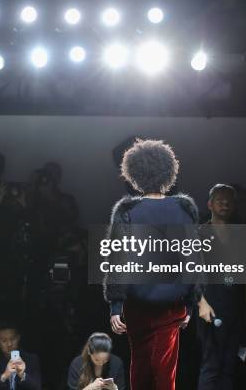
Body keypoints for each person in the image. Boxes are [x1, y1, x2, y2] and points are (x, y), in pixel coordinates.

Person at [103, 139, 201, 390]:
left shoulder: (126, 211)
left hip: (137, 306)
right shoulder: (184, 209)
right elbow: (192, 261)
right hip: (171, 306)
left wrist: (116, 306)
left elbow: (117, 261)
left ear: (134, 174)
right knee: (163, 372)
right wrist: (190, 304)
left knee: (141, 367)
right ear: (168, 172)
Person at [196, 184, 246, 390]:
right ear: (210, 204)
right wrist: (201, 303)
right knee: (211, 366)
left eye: (229, 201)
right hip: (209, 308)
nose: (225, 204)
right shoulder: (199, 234)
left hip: (234, 309)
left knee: (228, 368)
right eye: (220, 200)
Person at [0, 322, 41, 390]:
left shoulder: (31, 359)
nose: (9, 344)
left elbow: (37, 387)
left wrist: (22, 375)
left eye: (12, 339)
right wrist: (4, 376)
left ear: (18, 338)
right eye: (4, 340)